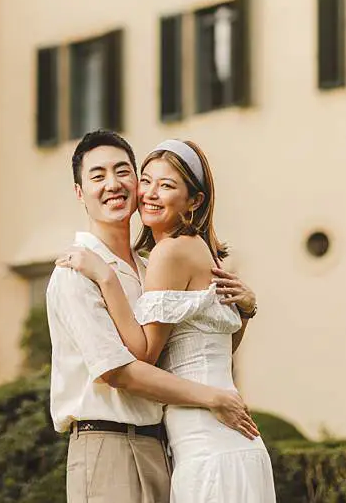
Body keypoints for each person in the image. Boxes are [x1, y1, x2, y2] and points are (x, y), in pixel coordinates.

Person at [57, 138, 278, 502]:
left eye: (167, 185)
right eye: (147, 181)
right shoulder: (190, 253)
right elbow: (209, 347)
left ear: (195, 201)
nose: (150, 194)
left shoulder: (166, 255)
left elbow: (142, 356)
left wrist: (106, 278)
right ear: (80, 192)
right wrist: (247, 312)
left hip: (206, 445)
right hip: (217, 442)